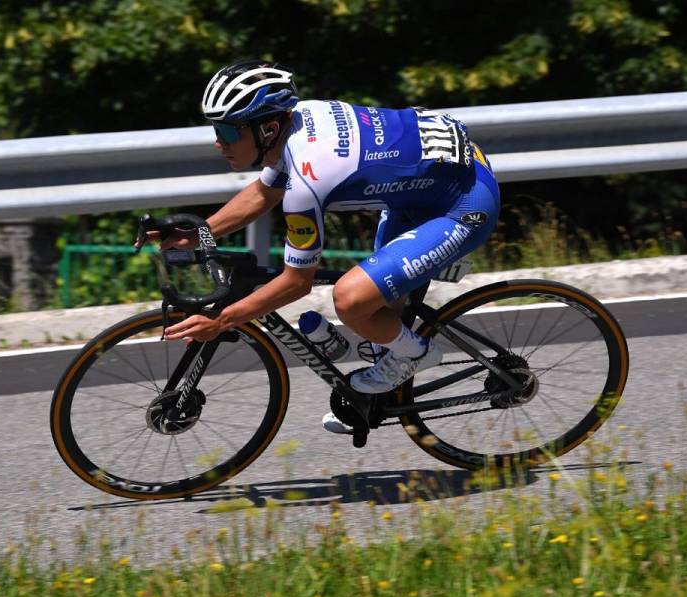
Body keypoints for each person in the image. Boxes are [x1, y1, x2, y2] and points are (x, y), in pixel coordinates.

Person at [150, 59, 500, 433]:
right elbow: (261, 194)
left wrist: (222, 321)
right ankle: (381, 376)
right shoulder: (296, 121)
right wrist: (200, 234)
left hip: (463, 204)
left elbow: (297, 282)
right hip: (429, 185)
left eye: (228, 131)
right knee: (375, 301)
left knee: (351, 299)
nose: (219, 142)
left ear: (267, 128)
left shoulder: (307, 178)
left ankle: (417, 353)